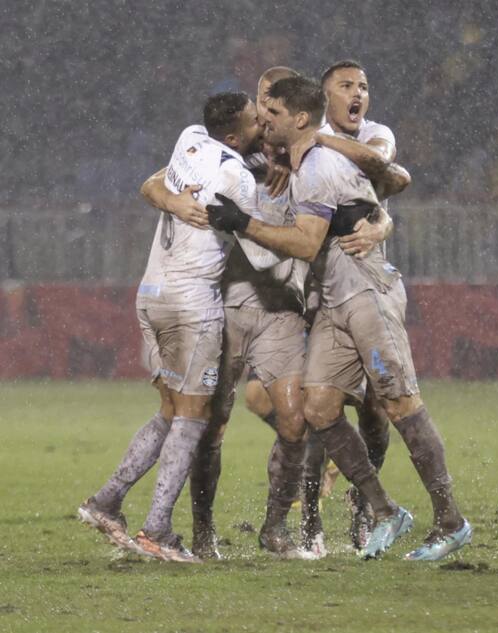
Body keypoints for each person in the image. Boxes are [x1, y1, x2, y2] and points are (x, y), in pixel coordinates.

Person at [210, 75, 472, 561]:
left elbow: (310, 241)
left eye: (273, 114)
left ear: (300, 118)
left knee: (398, 404)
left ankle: (450, 520)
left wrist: (241, 223)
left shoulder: (320, 163)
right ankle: (384, 509)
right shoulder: (300, 161)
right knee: (319, 409)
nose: (263, 120)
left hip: (366, 290)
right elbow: (384, 186)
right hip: (330, 299)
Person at [78, 92, 265, 562]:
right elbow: (261, 246)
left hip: (151, 294)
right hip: (191, 303)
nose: (263, 121)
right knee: (193, 416)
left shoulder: (189, 139)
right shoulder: (237, 176)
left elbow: (154, 183)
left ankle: (106, 501)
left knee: (169, 409)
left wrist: (170, 199)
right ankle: (158, 529)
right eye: (255, 119)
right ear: (234, 136)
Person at [245, 59, 408, 551]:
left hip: (367, 285)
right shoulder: (276, 147)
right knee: (310, 405)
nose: (357, 94)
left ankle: (365, 510)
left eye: (362, 86)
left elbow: (391, 174)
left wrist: (383, 224)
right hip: (310, 294)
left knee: (378, 409)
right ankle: (309, 517)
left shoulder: (372, 134)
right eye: (346, 86)